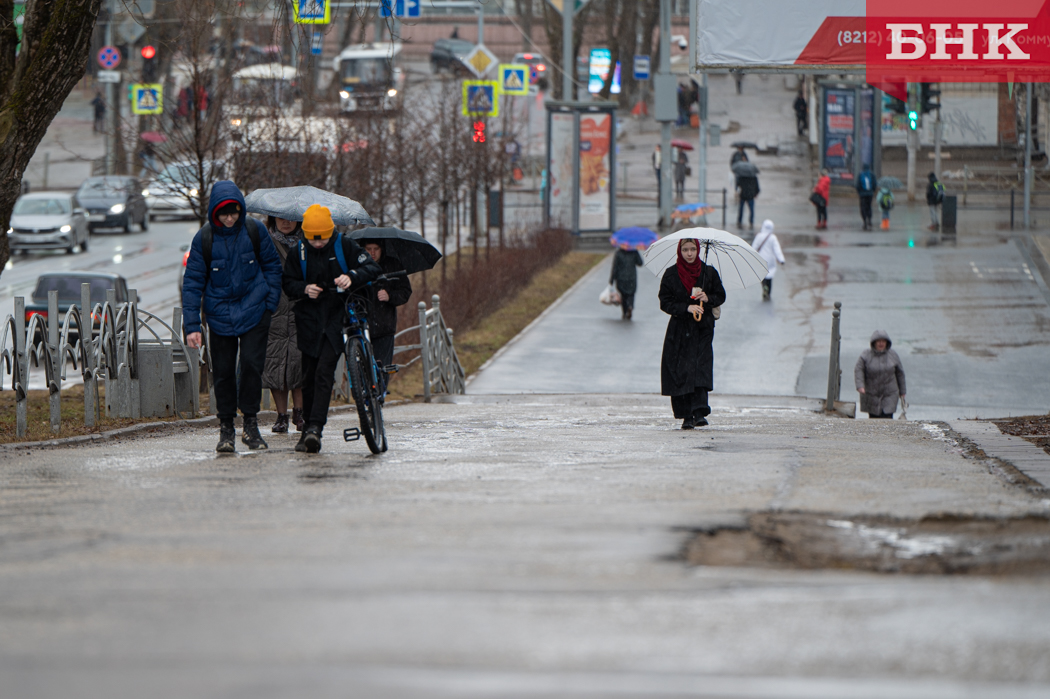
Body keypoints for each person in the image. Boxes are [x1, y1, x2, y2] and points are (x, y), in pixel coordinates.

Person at [182, 182, 283, 453]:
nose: (229, 218)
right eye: (224, 213)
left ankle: (251, 424)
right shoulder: (204, 238)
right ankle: (226, 427)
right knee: (223, 372)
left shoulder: (254, 230)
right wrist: (192, 325)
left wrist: (269, 304)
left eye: (234, 213)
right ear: (214, 213)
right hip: (219, 314)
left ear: (241, 210)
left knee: (252, 366)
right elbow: (192, 283)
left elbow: (273, 266)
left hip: (254, 309)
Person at [282, 205, 381, 454]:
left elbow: (372, 268)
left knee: (324, 372)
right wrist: (304, 289)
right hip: (309, 319)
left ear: (331, 232)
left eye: (323, 238)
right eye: (313, 239)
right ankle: (307, 431)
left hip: (338, 316)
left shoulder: (345, 246)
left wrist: (352, 276)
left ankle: (315, 427)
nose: (318, 244)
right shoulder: (299, 252)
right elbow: (287, 282)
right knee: (309, 376)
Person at [659, 239, 726, 429]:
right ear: (679, 251)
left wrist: (708, 297)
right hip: (679, 330)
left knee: (699, 368)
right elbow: (665, 301)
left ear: (698, 250)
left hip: (702, 329)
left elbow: (721, 295)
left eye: (693, 249)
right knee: (680, 370)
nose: (690, 253)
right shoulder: (671, 274)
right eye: (686, 250)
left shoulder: (708, 273)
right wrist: (686, 307)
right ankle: (685, 415)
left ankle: (699, 412)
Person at [262, 216, 306, 434]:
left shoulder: (307, 242)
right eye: (281, 219)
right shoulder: (265, 241)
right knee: (275, 362)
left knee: (299, 360)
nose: (286, 223)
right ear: (273, 219)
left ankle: (300, 411)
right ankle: (281, 415)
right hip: (274, 307)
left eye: (291, 219)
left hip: (300, 306)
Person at [359, 239, 413, 395]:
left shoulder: (392, 264)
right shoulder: (356, 264)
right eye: (369, 248)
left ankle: (379, 396)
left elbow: (405, 291)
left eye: (376, 248)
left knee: (381, 365)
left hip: (385, 324)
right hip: (362, 323)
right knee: (363, 363)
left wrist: (390, 296)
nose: (372, 253)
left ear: (382, 249)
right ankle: (364, 393)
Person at [854, 330, 906, 419]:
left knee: (887, 417)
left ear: (887, 342)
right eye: (879, 341)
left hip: (890, 394)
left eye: (883, 341)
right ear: (874, 342)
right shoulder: (866, 355)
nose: (881, 343)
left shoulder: (893, 355)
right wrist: (860, 386)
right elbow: (859, 369)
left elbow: (900, 373)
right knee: (874, 419)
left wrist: (903, 391)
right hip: (872, 394)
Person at [752, 219, 785, 300]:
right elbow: (777, 249)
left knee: (762, 275)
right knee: (770, 276)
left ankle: (764, 287)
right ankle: (768, 292)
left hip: (761, 259)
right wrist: (781, 260)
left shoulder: (759, 236)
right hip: (770, 260)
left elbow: (754, 247)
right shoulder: (773, 237)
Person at [610, 244, 644, 320]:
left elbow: (615, 267)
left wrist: (611, 280)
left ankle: (625, 312)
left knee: (624, 295)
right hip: (631, 277)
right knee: (631, 294)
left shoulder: (618, 253)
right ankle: (630, 306)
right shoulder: (634, 252)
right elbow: (640, 263)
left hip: (621, 278)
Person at [856, 163, 876, 230]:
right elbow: (874, 184)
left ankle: (864, 222)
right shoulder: (871, 174)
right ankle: (869, 220)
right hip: (870, 194)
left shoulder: (860, 174)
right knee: (869, 207)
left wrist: (860, 192)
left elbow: (858, 185)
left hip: (862, 195)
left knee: (863, 208)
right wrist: (872, 191)